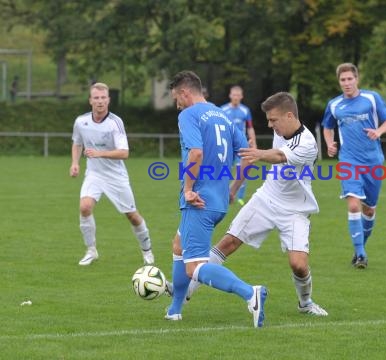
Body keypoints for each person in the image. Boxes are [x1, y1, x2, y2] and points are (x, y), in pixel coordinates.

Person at [184, 92, 328, 316]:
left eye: (273, 120)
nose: (270, 125)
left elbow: (279, 155)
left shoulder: (307, 143)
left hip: (295, 210)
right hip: (266, 198)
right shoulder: (281, 130)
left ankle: (306, 304)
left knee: (299, 265)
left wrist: (258, 154)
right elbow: (270, 153)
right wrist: (232, 190)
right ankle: (184, 292)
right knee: (227, 243)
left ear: (289, 116)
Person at [165, 70, 267, 328]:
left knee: (194, 267)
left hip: (198, 200)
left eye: (177, 98)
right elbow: (247, 156)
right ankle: (175, 308)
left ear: (185, 92)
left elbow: (196, 153)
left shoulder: (188, 115)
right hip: (219, 199)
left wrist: (188, 189)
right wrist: (233, 190)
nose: (177, 104)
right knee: (179, 245)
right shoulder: (223, 116)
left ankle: (249, 293)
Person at [70, 82, 154, 266]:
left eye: (103, 98)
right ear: (90, 100)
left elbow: (124, 153)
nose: (100, 101)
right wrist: (75, 163)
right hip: (94, 174)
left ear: (108, 100)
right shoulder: (81, 122)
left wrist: (99, 153)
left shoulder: (115, 123)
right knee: (84, 207)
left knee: (132, 215)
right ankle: (91, 250)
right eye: (96, 98)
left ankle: (147, 250)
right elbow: (77, 143)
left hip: (116, 176)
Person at [322, 62, 386, 268]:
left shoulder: (372, 98)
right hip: (348, 160)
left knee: (369, 210)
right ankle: (361, 254)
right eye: (342, 80)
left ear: (357, 79)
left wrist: (378, 132)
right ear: (339, 82)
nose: (346, 83)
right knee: (353, 204)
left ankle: (359, 248)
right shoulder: (334, 105)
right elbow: (327, 127)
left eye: (349, 79)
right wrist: (329, 144)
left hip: (373, 161)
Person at [220, 85, 257, 205]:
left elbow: (250, 128)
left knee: (242, 170)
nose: (235, 97)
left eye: (238, 95)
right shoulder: (223, 110)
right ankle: (223, 194)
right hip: (227, 145)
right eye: (233, 95)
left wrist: (253, 143)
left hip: (241, 145)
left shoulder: (245, 110)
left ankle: (239, 197)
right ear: (230, 95)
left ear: (241, 96)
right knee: (224, 170)